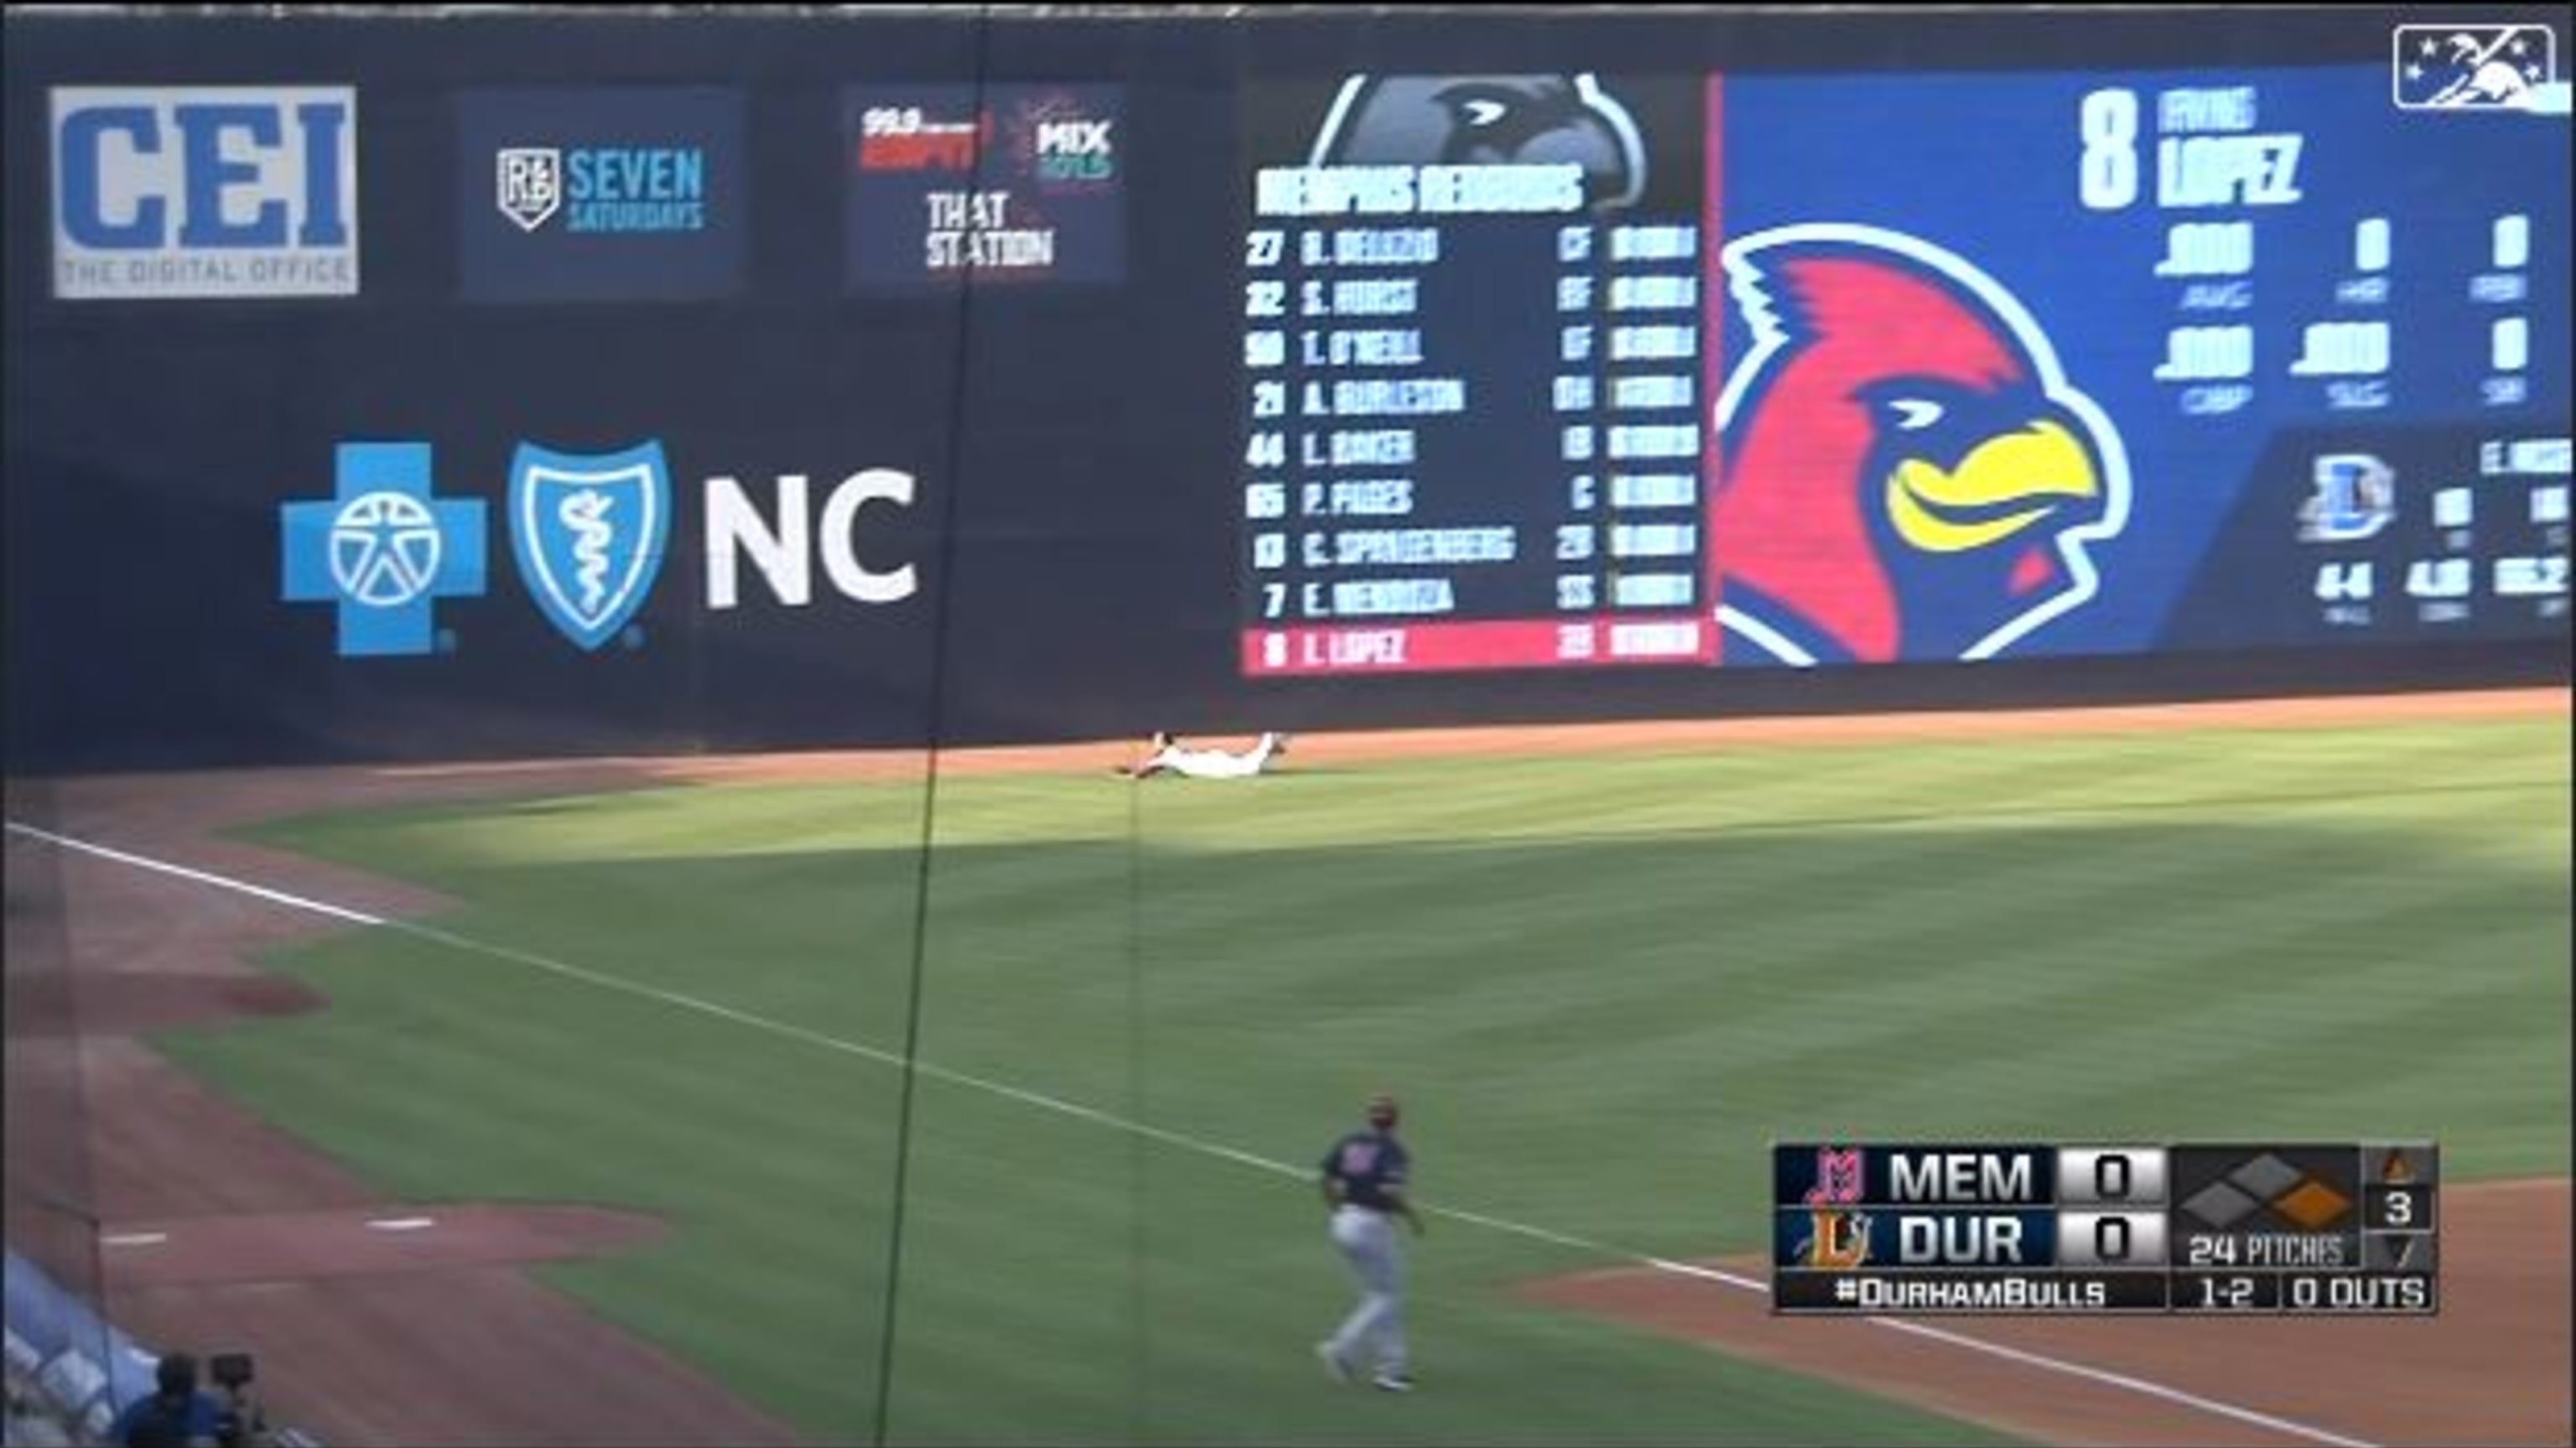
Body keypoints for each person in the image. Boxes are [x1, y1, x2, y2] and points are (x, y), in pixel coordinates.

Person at [1313, 1092, 1422, 1393]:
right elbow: (1389, 1192)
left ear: (1369, 1118)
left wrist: (1336, 1210)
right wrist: (1412, 1217)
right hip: (1371, 1226)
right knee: (1387, 1296)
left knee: (1381, 1296)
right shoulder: (1392, 1149)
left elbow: (1324, 1178)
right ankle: (1340, 1349)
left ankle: (1391, 1371)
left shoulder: (1354, 1142)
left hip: (1344, 1223)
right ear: (1397, 1120)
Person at [106, 1353, 222, 1448]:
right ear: (192, 1384)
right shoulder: (207, 1406)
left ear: (159, 1379)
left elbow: (112, 1441)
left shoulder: (137, 1411)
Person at [1118, 730, 1289, 780]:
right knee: (1248, 766)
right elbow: (1148, 771)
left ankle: (1268, 740)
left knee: (1249, 769)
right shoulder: (1170, 754)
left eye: (1156, 741)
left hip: (1210, 765)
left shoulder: (1165, 757)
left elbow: (1141, 775)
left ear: (1164, 743)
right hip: (1210, 761)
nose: (1154, 744)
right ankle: (1270, 747)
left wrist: (1124, 775)